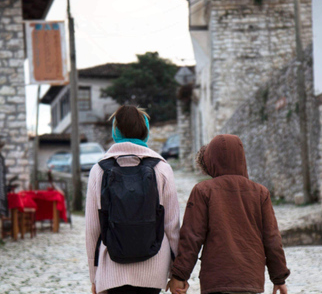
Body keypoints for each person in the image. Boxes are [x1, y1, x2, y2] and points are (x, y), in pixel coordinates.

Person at [168, 134, 290, 294]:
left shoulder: (203, 191)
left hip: (216, 280)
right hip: (250, 279)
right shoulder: (260, 193)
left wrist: (179, 275)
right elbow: (272, 239)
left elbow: (191, 237)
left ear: (210, 160)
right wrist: (279, 278)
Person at [85, 105, 180, 294]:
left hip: (112, 270)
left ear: (115, 131)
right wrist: (176, 274)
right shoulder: (161, 168)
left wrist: (95, 276)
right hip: (153, 270)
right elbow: (172, 226)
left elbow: (92, 230)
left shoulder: (100, 170)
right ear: (146, 132)